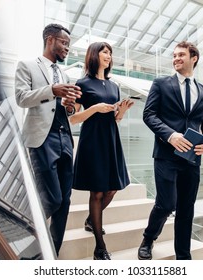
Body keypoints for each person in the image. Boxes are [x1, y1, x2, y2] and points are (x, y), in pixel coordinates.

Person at [138, 41, 203, 260]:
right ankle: (148, 238)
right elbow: (149, 114)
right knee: (166, 204)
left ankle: (183, 256)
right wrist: (171, 136)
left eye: (181, 54)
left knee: (186, 208)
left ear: (194, 58)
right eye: (174, 55)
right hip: (165, 154)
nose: (176, 58)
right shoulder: (161, 84)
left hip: (192, 158)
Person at [15, 23, 81, 256]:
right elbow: (22, 98)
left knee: (65, 201)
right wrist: (52, 90)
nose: (67, 49)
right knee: (52, 198)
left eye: (68, 45)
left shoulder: (65, 74)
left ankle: (50, 254)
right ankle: (22, 245)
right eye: (64, 43)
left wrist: (70, 106)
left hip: (65, 138)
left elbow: (65, 110)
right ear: (50, 39)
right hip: (42, 139)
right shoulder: (27, 66)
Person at [69, 42, 134, 260]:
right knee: (96, 192)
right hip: (92, 140)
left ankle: (90, 220)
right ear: (94, 55)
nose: (108, 55)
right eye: (104, 51)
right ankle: (99, 247)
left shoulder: (114, 86)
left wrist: (121, 112)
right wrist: (94, 108)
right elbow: (73, 119)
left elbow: (114, 118)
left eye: (110, 52)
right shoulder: (82, 83)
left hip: (110, 139)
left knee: (112, 188)